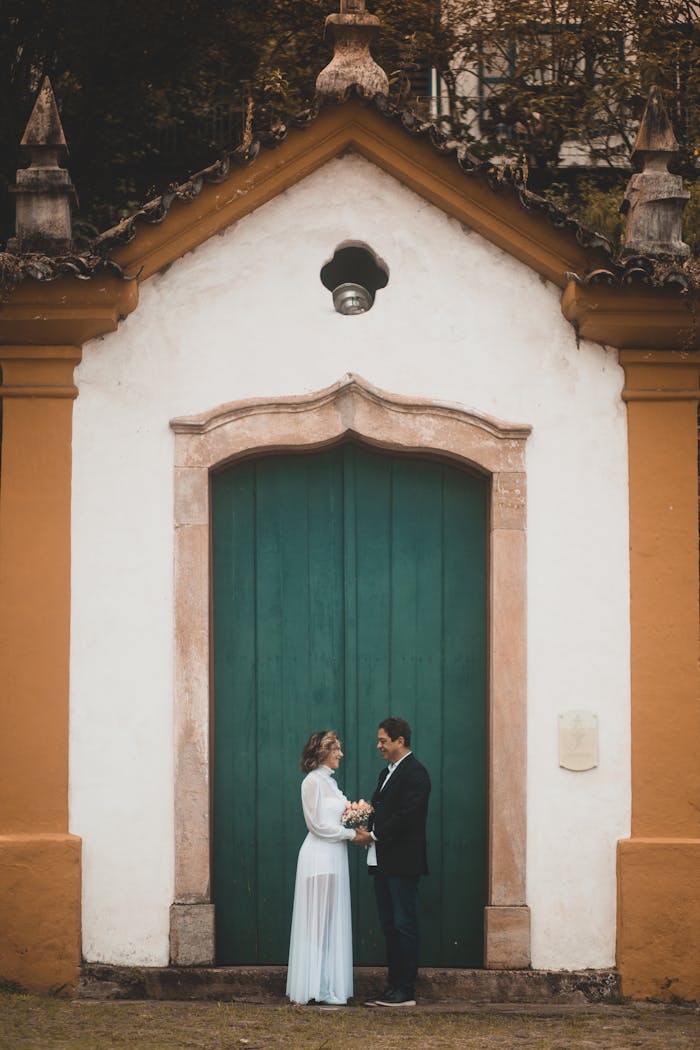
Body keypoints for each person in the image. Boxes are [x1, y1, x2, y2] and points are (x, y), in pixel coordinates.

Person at [286, 730, 371, 1006]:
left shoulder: (331, 784)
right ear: (323, 751)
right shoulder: (312, 782)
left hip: (335, 856)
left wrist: (358, 818)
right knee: (316, 922)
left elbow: (340, 814)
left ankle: (326, 984)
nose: (341, 754)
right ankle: (312, 985)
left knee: (329, 921)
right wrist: (350, 836)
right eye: (337, 750)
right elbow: (316, 825)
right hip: (319, 857)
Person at [366, 717, 431, 1007]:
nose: (379, 745)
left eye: (383, 740)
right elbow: (379, 808)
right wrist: (363, 825)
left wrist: (375, 833)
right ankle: (393, 987)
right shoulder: (386, 773)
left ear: (399, 741)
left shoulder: (416, 774)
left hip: (403, 862)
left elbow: (408, 815)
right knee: (389, 925)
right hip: (383, 861)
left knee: (404, 924)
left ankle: (406, 989)